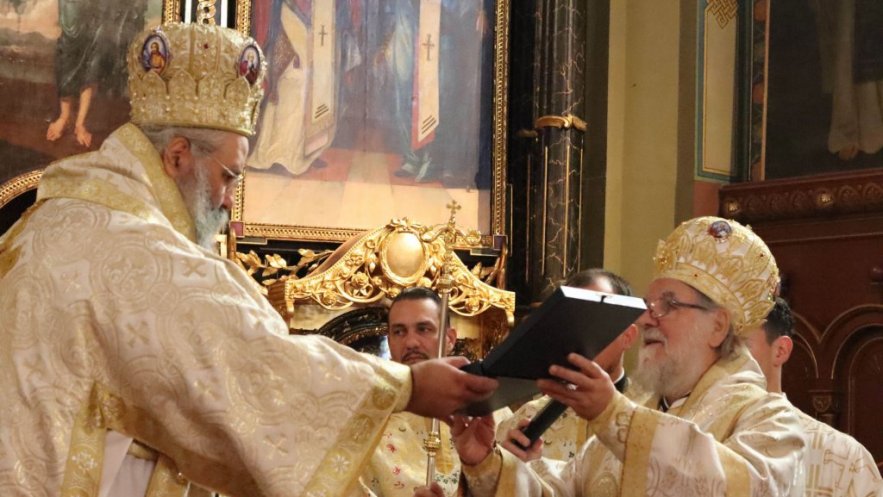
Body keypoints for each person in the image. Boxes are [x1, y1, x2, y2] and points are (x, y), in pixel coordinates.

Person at [0, 22, 497, 497]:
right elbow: (254, 363)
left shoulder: (63, 218)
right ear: (177, 156)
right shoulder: (127, 246)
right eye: (229, 176)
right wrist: (404, 386)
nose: (227, 201)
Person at [419, 216, 806, 497]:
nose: (647, 318)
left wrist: (614, 416)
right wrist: (486, 463)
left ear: (718, 326)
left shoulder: (768, 418)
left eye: (669, 304)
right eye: (649, 304)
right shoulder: (633, 416)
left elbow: (741, 487)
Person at [745, 297, 883, 496]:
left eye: (740, 346)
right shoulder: (699, 443)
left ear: (780, 350)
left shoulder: (844, 459)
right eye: (718, 347)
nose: (725, 360)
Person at [498, 269, 638, 463]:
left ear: (628, 336)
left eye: (595, 322)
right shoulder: (527, 419)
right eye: (572, 324)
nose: (582, 339)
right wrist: (512, 469)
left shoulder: (649, 420)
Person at [358, 287, 463, 496]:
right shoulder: (366, 418)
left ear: (450, 339)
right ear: (389, 341)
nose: (411, 343)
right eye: (399, 332)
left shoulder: (490, 411)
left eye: (423, 329)